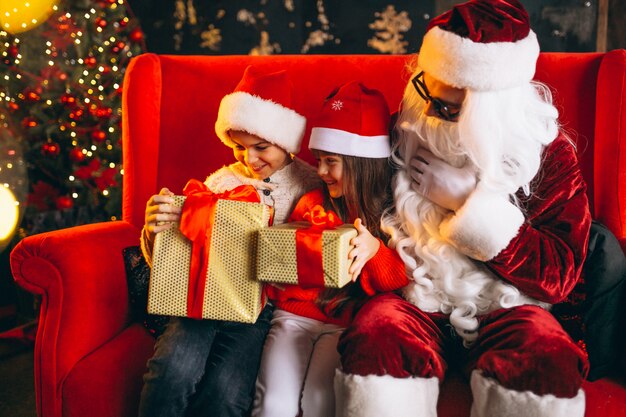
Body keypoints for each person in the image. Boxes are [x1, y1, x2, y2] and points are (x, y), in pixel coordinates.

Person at [334, 1, 592, 417]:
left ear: (492, 110)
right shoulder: (408, 126)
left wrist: (467, 204)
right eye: (425, 89)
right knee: (375, 335)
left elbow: (559, 273)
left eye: (449, 109)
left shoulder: (545, 152)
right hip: (413, 299)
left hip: (510, 308)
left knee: (545, 355)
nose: (429, 113)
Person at [138, 65, 322, 417]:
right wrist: (155, 231)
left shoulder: (309, 187)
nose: (249, 160)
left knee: (227, 392)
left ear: (285, 141)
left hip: (261, 309)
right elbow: (177, 254)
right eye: (239, 147)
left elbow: (314, 254)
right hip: (200, 296)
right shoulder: (220, 182)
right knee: (172, 370)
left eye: (261, 147)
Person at [251, 81, 409, 417]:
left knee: (318, 403)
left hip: (343, 324)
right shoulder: (311, 203)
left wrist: (374, 251)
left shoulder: (390, 216)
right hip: (293, 318)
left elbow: (401, 278)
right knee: (273, 405)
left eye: (331, 161)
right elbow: (279, 266)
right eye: (318, 160)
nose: (320, 171)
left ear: (362, 163)